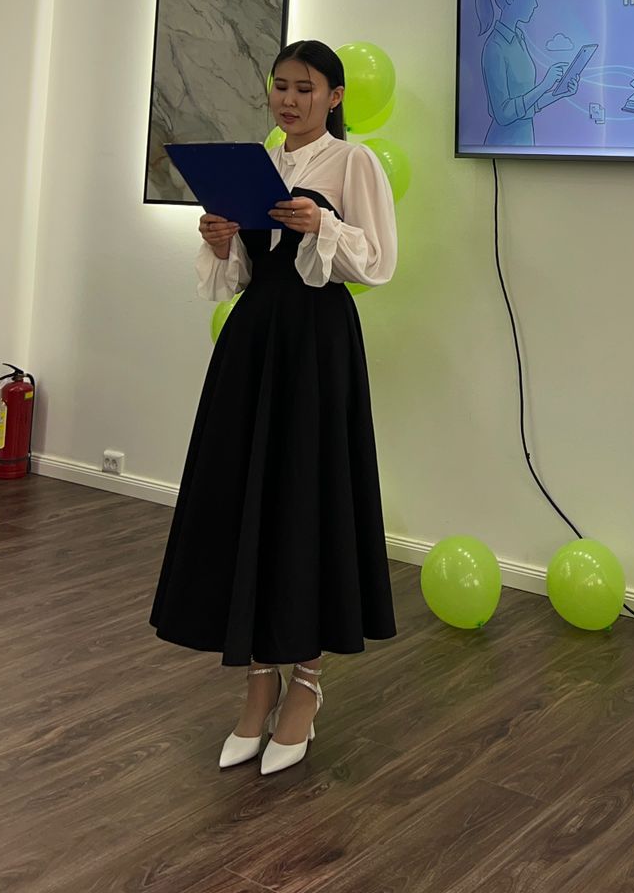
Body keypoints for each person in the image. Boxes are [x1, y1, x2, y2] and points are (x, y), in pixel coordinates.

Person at [150, 40, 397, 776]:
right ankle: (259, 682)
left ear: (336, 96)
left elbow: (380, 262)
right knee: (245, 499)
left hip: (317, 346)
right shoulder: (261, 161)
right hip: (253, 342)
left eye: (305, 88)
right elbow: (236, 277)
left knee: (306, 500)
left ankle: (307, 685)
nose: (289, 100)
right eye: (280, 86)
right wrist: (222, 238)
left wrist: (323, 226)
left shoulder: (354, 163)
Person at [476, 0, 577, 145]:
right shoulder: (494, 47)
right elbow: (504, 114)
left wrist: (559, 93)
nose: (535, 4)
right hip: (504, 143)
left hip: (525, 141)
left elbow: (530, 106)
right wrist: (544, 85)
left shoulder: (519, 39)